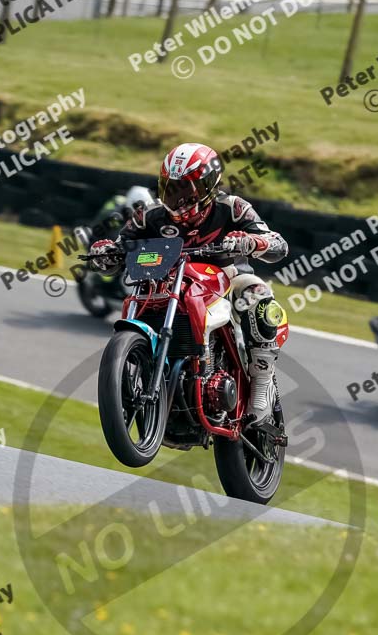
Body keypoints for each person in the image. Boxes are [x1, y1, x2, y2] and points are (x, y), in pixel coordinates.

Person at [89, 143, 288, 425]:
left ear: (208, 186)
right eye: (170, 188)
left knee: (258, 294)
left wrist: (252, 241)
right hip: (169, 283)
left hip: (226, 280)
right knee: (141, 296)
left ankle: (261, 385)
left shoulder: (232, 208)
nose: (177, 198)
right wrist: (107, 253)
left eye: (186, 190)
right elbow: (122, 247)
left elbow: (278, 244)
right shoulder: (150, 216)